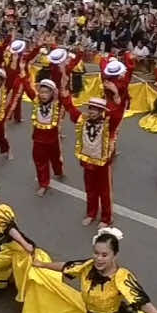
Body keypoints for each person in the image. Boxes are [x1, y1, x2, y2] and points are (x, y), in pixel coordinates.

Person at [62, 92, 117, 227]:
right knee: (90, 189)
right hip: (88, 162)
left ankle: (106, 218)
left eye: (96, 109)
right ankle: (91, 213)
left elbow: (117, 114)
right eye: (91, 108)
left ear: (102, 112)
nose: (92, 112)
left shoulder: (108, 124)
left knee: (104, 192)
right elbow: (71, 109)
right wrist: (65, 97)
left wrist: (116, 96)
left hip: (102, 164)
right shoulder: (82, 119)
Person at [17, 66, 65, 196]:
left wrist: (61, 68)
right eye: (41, 92)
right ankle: (44, 184)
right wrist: (22, 73)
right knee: (39, 161)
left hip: (53, 139)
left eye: (46, 92)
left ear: (52, 93)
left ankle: (59, 171)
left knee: (55, 159)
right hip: (38, 139)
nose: (43, 95)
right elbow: (27, 87)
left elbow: (62, 87)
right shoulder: (36, 101)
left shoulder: (57, 103)